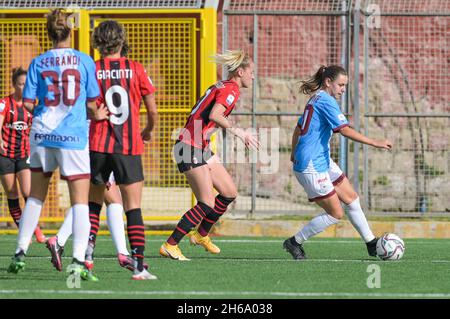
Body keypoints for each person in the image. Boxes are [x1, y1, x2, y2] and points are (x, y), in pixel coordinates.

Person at [7, 9, 107, 280]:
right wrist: (96, 114)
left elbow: (27, 104)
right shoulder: (84, 61)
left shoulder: (38, 62)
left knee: (36, 196)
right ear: (71, 31)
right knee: (80, 202)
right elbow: (90, 103)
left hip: (41, 134)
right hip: (72, 137)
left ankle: (19, 252)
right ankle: (76, 261)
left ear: (48, 33)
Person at [283, 65, 392, 260]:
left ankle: (371, 243)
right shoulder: (326, 101)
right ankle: (295, 242)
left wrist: (293, 151)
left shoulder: (316, 98)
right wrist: (374, 142)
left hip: (321, 159)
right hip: (311, 165)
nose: (343, 89)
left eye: (345, 85)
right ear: (328, 82)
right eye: (341, 85)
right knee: (336, 213)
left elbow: (298, 128)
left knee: (351, 197)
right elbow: (344, 130)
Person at [160, 49, 259, 261]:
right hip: (189, 146)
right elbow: (215, 114)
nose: (253, 76)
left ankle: (201, 234)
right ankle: (171, 244)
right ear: (240, 72)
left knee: (229, 192)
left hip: (199, 145)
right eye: (251, 71)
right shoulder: (231, 89)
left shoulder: (222, 86)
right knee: (206, 203)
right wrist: (239, 132)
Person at [87, 20, 158, 280]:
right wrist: (149, 130)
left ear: (98, 42)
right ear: (121, 40)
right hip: (128, 146)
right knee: (133, 206)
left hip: (98, 145)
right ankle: (138, 265)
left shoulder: (92, 70)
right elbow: (152, 110)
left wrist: (95, 112)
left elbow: (87, 107)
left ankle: (86, 256)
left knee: (93, 204)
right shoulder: (137, 69)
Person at [46, 173, 148, 273]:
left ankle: (59, 240)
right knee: (87, 201)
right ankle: (59, 240)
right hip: (95, 159)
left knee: (110, 201)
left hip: (93, 159)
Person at [0, 67, 45, 243]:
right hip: (5, 155)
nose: (23, 87)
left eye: (26, 84)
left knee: (28, 192)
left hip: (24, 154)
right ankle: (24, 231)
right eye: (20, 84)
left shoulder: (33, 104)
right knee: (12, 193)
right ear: (14, 85)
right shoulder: (5, 103)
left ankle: (36, 228)